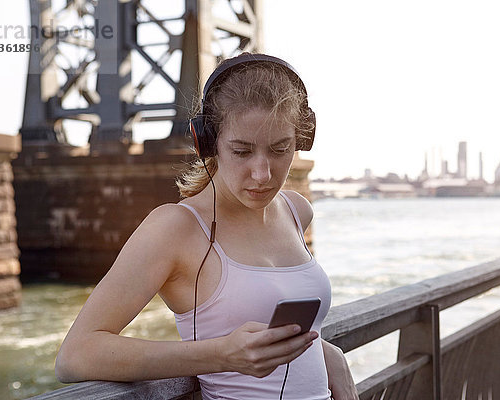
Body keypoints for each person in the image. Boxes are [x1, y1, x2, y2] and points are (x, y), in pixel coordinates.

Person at [55, 53, 359, 400]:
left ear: (301, 140)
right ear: (207, 142)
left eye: (280, 149)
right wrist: (221, 355)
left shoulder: (296, 211)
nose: (262, 174)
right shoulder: (177, 228)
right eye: (242, 151)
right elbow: (75, 356)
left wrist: (325, 351)